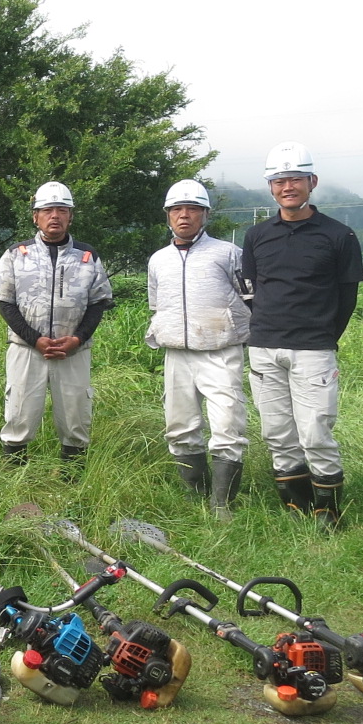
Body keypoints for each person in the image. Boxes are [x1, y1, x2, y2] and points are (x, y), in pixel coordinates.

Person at [242, 142, 363, 527]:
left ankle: (328, 511)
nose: (286, 186)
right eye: (278, 180)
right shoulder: (257, 235)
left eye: (294, 178)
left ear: (312, 181)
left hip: (313, 349)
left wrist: (323, 334)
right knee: (277, 432)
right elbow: (251, 287)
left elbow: (347, 297)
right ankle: (295, 506)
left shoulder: (339, 235)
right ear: (271, 187)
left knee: (315, 432)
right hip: (263, 347)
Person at [0, 181, 113, 473]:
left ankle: (71, 483)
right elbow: (5, 303)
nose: (54, 216)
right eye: (47, 210)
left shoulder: (87, 256)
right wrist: (35, 340)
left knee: (76, 416)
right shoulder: (16, 254)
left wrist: (78, 339)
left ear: (70, 216)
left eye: (61, 210)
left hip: (73, 351)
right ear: (35, 216)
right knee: (19, 413)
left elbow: (98, 304)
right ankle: (14, 479)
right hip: (26, 350)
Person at [145, 180, 251, 517]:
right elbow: (156, 305)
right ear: (168, 216)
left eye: (192, 209)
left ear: (205, 214)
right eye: (177, 209)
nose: (184, 215)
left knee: (227, 425)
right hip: (176, 352)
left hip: (221, 350)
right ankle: (196, 497)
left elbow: (251, 297)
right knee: (180, 427)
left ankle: (222, 505)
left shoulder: (228, 253)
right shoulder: (158, 260)